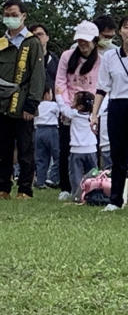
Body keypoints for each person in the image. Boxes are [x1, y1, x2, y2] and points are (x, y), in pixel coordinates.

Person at [91, 16, 128, 212]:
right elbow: (102, 88)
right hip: (116, 105)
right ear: (120, 32)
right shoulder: (109, 57)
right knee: (117, 155)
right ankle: (115, 200)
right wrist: (94, 114)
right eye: (126, 28)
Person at [0, 0, 45, 199]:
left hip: (24, 101)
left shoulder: (32, 42)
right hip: (2, 102)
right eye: (7, 15)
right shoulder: (1, 42)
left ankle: (25, 188)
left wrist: (32, 103)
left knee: (26, 148)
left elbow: (38, 75)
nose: (10, 19)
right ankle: (3, 187)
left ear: (23, 16)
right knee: (3, 148)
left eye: (14, 15)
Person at [54, 20, 101, 200]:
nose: (83, 44)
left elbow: (101, 86)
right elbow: (60, 82)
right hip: (70, 106)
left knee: (90, 148)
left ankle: (92, 185)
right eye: (80, 40)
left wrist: (94, 110)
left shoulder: (100, 60)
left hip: (91, 109)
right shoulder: (67, 56)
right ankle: (66, 187)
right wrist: (65, 107)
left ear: (94, 41)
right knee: (66, 147)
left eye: (86, 41)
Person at [61, 91, 98, 193]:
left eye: (74, 100)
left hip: (76, 150)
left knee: (75, 175)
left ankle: (77, 195)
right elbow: (103, 107)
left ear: (80, 106)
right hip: (91, 149)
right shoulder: (93, 116)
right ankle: (93, 193)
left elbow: (63, 108)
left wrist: (59, 95)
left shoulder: (73, 114)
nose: (72, 102)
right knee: (93, 175)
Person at [33, 88, 60, 189]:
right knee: (57, 155)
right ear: (47, 94)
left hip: (38, 130)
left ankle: (40, 181)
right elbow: (58, 113)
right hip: (51, 129)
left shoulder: (37, 105)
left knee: (41, 158)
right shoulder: (53, 105)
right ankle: (53, 178)